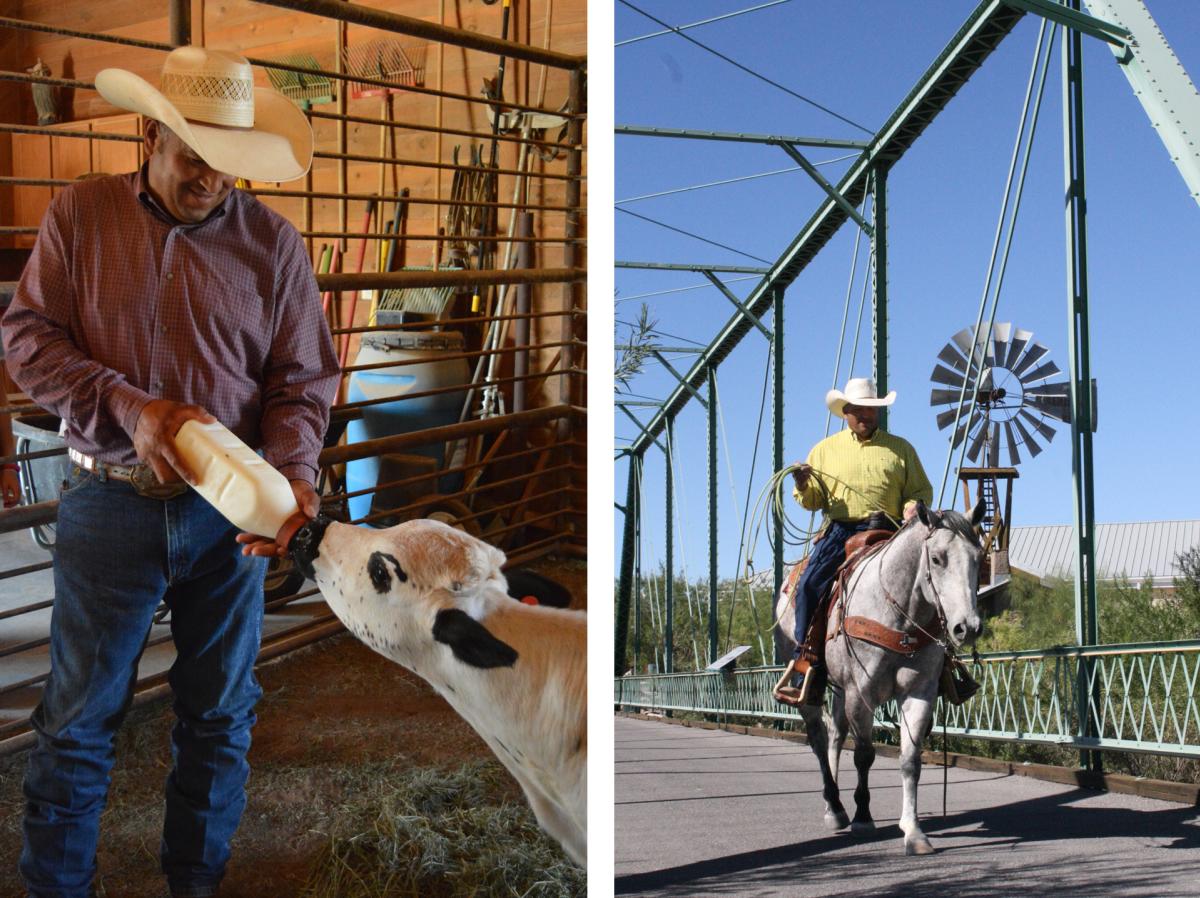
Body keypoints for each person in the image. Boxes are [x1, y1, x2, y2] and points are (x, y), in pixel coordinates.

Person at [2, 47, 339, 898]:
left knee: (220, 715)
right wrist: (128, 405)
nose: (212, 179)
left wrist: (294, 472)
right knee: (77, 721)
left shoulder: (274, 246)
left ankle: (196, 883)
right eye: (194, 156)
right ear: (148, 133)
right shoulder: (79, 218)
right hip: (110, 498)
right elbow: (27, 340)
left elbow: (301, 382)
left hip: (228, 516)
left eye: (229, 163)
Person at [779, 377, 933, 702]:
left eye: (871, 409)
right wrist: (804, 484)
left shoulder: (901, 449)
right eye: (859, 410)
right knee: (809, 586)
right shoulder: (823, 451)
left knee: (933, 581)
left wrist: (910, 508)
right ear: (845, 412)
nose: (865, 415)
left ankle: (944, 666)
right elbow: (813, 500)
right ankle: (806, 661)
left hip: (891, 530)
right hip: (841, 531)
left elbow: (920, 491)